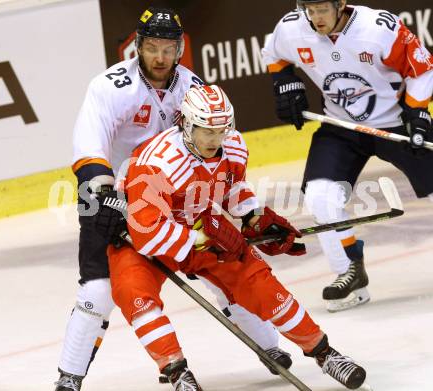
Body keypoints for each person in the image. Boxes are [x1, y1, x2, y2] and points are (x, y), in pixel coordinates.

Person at [55, 7, 290, 391]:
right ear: (138, 45)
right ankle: (69, 377)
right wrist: (105, 199)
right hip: (111, 194)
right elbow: (89, 143)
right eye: (151, 47)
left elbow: (221, 150)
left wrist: (248, 211)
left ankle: (270, 347)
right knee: (98, 289)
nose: (160, 57)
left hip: (176, 199)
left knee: (222, 265)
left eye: (168, 48)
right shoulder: (110, 86)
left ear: (180, 47)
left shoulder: (192, 87)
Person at [100, 84, 367, 390]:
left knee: (258, 279)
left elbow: (230, 188)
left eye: (221, 130)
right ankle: (176, 371)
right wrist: (205, 238)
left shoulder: (234, 146)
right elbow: (147, 231)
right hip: (136, 237)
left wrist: (255, 217)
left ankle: (325, 353)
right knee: (135, 295)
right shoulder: (159, 161)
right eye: (207, 132)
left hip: (195, 222)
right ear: (187, 124)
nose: (216, 140)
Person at [262, 0, 433, 312]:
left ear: (340, 4)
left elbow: (422, 68)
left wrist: (418, 111)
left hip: (394, 122)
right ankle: (349, 271)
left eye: (322, 10)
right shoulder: (291, 28)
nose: (315, 19)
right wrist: (283, 83)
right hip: (341, 125)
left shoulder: (378, 29)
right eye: (309, 11)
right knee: (320, 197)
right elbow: (272, 54)